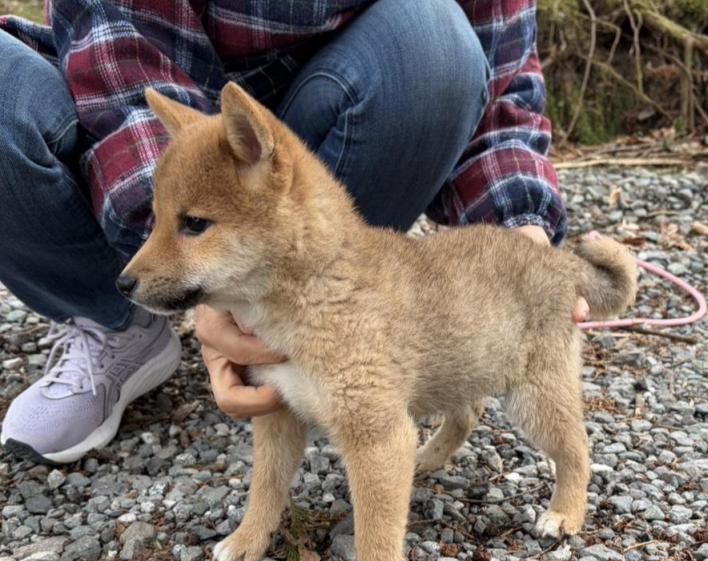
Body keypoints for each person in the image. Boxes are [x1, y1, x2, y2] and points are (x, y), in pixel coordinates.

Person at [0, 0, 583, 464]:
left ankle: (320, 322)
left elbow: (500, 74)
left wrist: (520, 234)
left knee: (434, 42)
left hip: (329, 128)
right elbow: (124, 58)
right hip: (172, 126)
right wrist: (190, 264)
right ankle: (114, 323)